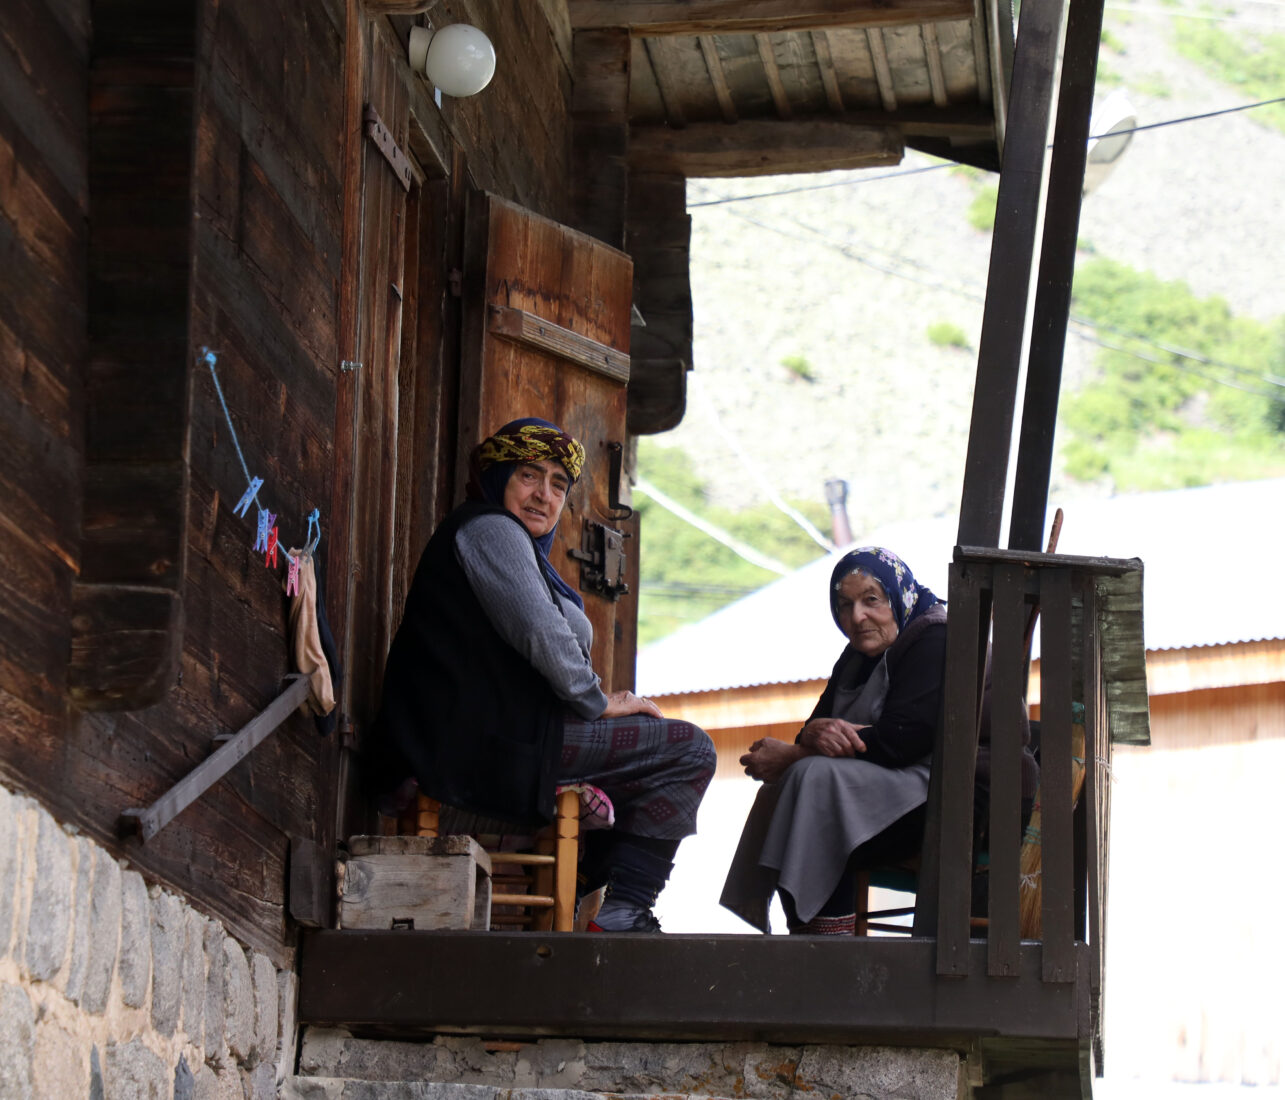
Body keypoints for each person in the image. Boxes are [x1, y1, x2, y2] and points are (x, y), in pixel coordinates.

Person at [366, 416, 716, 932]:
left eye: (558, 484)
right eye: (529, 475)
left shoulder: (517, 548)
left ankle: (583, 897)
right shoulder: (490, 529)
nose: (543, 495)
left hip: (487, 734)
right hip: (471, 741)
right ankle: (621, 910)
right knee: (688, 750)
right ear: (498, 476)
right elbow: (541, 635)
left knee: (648, 764)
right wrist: (598, 701)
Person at [720, 546, 1037, 935]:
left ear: (898, 594)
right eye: (844, 605)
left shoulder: (936, 636)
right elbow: (816, 725)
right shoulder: (857, 655)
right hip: (905, 783)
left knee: (812, 780)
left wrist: (795, 753)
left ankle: (827, 946)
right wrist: (812, 737)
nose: (857, 617)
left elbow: (903, 741)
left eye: (871, 600)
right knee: (787, 788)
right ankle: (806, 939)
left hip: (963, 792)